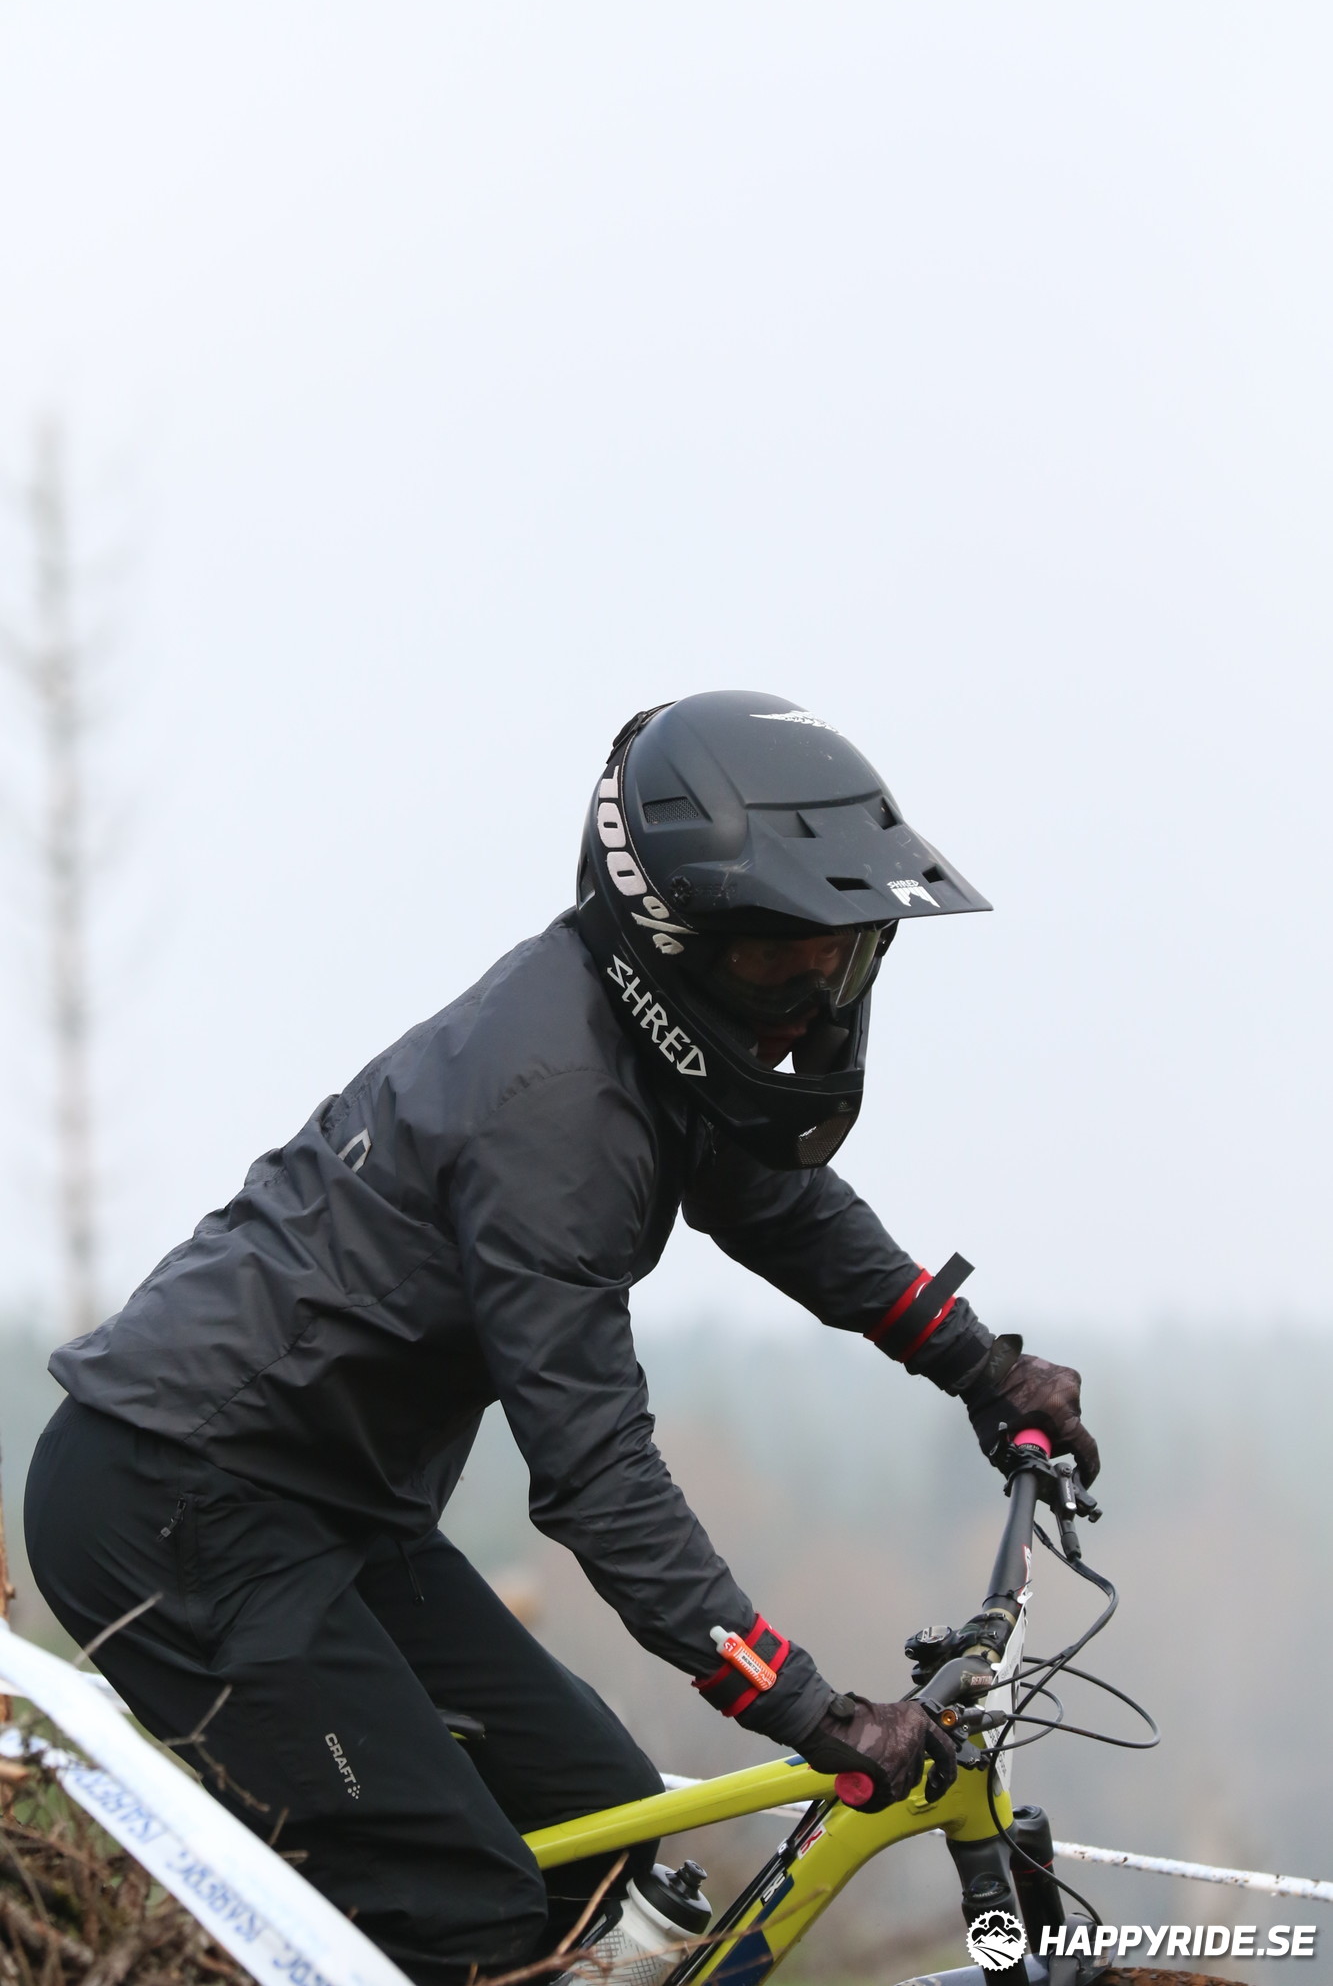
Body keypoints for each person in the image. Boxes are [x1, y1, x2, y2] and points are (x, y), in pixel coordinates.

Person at [25, 692, 1097, 1985]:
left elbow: (778, 1204)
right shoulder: (558, 1116)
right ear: (672, 940)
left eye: (840, 958)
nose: (809, 999)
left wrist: (985, 1370)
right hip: (173, 1507)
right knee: (463, 1912)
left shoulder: (651, 1038)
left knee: (605, 1843)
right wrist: (801, 1702)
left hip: (328, 1504)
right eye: (775, 959)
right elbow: (594, 1476)